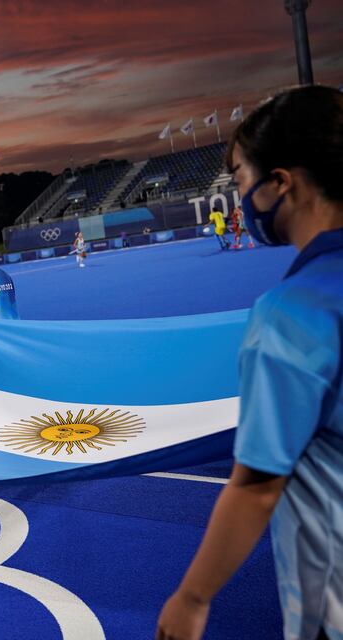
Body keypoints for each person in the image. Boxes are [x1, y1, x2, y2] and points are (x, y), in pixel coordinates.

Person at [156, 85, 343, 640]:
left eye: (240, 180)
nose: (241, 196)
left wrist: (192, 597)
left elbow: (258, 484)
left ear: (281, 182)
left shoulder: (292, 314)